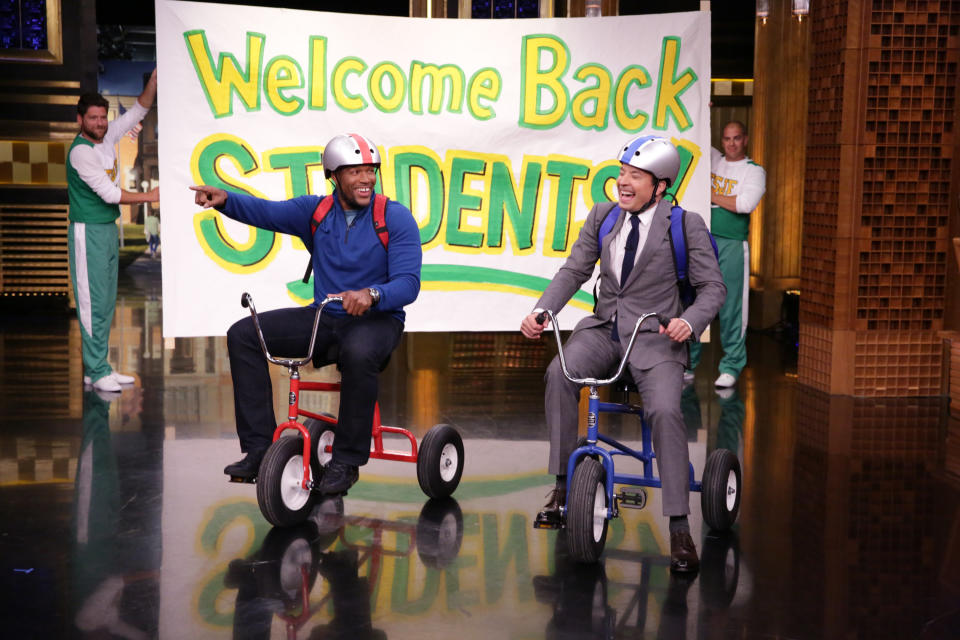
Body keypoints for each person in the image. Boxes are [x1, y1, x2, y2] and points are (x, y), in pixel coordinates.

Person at [520, 136, 725, 572]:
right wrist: (542, 310)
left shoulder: (685, 225)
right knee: (561, 372)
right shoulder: (603, 215)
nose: (623, 183)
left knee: (666, 411)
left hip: (656, 336)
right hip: (604, 330)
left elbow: (713, 288)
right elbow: (575, 268)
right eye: (621, 174)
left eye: (635, 176)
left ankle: (679, 528)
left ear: (661, 185)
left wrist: (690, 321)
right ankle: (562, 485)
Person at [191, 133, 422, 495]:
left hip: (379, 320)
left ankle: (346, 461)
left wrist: (373, 294)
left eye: (371, 171)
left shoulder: (395, 217)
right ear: (334, 176)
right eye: (355, 172)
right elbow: (267, 212)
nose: (366, 179)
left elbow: (409, 284)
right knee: (243, 334)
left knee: (359, 353)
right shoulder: (315, 213)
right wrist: (225, 201)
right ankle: (259, 450)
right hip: (327, 316)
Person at [68, 70, 159, 393]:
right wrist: (150, 196)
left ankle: (100, 369)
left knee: (106, 301)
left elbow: (137, 111)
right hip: (87, 231)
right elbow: (109, 194)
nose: (100, 123)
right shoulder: (81, 152)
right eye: (93, 118)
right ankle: (94, 367)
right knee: (92, 303)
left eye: (103, 117)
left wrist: (152, 83)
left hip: (105, 228)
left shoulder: (106, 137)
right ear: (81, 119)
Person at [687, 121, 766, 388]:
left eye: (736, 138)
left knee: (732, 307)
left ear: (745, 139)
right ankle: (688, 363)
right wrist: (701, 106)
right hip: (704, 240)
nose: (731, 143)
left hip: (733, 244)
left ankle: (732, 365)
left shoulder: (754, 171)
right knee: (695, 301)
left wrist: (709, 194)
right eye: (727, 139)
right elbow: (694, 131)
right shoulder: (714, 159)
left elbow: (744, 204)